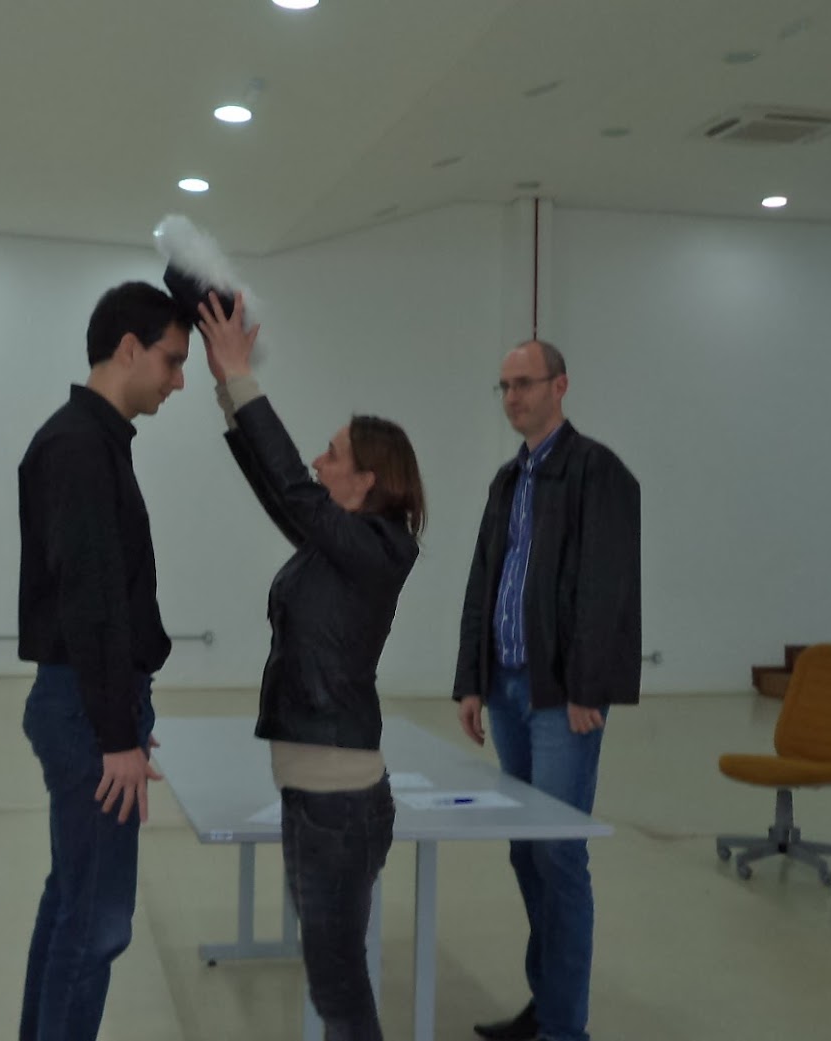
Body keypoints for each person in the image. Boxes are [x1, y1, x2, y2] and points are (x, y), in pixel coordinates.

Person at [200, 292, 424, 1041]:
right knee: (332, 977)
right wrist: (225, 387)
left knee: (338, 985)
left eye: (333, 454)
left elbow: (292, 486)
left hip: (340, 800)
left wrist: (243, 374)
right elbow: (280, 488)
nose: (318, 463)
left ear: (367, 481)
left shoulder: (379, 548)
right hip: (311, 790)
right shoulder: (337, 542)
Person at [454, 340, 642, 1041]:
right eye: (503, 385)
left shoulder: (598, 472)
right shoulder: (509, 479)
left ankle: (566, 1028)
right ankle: (550, 1003)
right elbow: (485, 582)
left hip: (562, 697)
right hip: (505, 689)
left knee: (560, 852)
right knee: (527, 849)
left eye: (525, 383)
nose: (512, 397)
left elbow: (606, 590)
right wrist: (471, 680)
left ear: (560, 385)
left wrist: (588, 686)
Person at [15, 281, 188, 1041]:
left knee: (73, 902)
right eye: (172, 360)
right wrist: (117, 732)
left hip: (89, 705)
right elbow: (90, 602)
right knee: (97, 924)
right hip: (88, 714)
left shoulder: (88, 440)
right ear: (128, 349)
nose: (178, 379)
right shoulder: (81, 447)